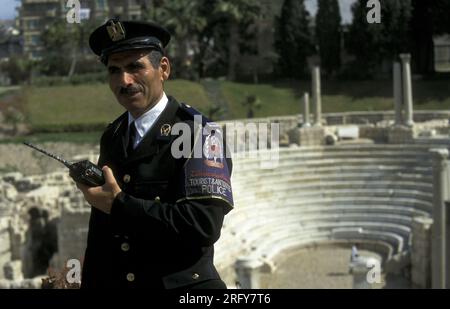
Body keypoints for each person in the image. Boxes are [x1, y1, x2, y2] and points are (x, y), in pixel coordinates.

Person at [76, 19, 233, 289]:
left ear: (163, 69)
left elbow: (203, 225)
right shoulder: (113, 136)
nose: (124, 81)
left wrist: (121, 205)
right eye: (114, 70)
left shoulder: (199, 133)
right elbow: (102, 232)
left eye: (135, 67)